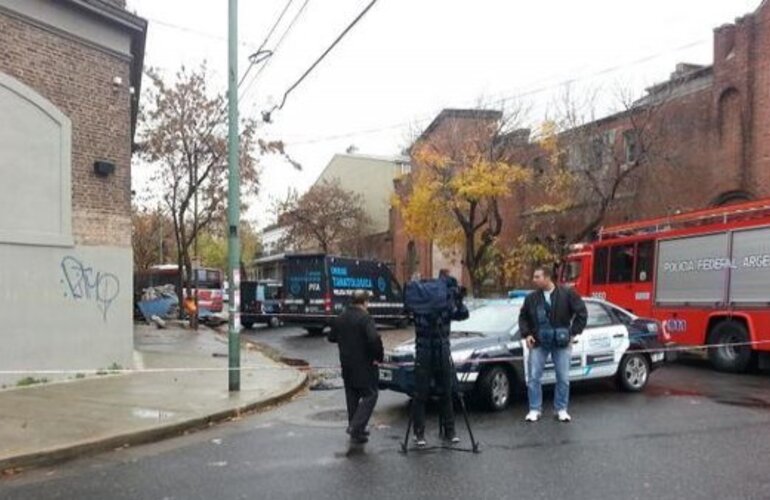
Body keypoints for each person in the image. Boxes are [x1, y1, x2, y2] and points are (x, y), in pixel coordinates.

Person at [518, 265, 587, 423]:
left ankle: (561, 409)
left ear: (547, 277)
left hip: (561, 343)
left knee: (563, 377)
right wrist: (527, 334)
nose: (534, 280)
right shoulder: (531, 298)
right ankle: (534, 409)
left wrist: (573, 333)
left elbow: (582, 313)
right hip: (539, 342)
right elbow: (523, 317)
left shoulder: (567, 294)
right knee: (534, 377)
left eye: (537, 277)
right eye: (534, 277)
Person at [410, 269, 468, 447]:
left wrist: (457, 300)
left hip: (436, 348)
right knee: (425, 392)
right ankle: (425, 432)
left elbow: (463, 314)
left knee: (444, 391)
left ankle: (443, 431)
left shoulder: (439, 302)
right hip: (430, 348)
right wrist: (455, 300)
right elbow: (463, 314)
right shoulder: (426, 303)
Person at [328, 290, 384, 444]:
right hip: (365, 364)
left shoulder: (341, 317)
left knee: (352, 396)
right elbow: (374, 339)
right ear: (365, 302)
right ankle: (355, 426)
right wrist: (378, 357)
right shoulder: (365, 318)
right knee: (370, 395)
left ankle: (357, 432)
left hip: (347, 364)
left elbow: (331, 337)